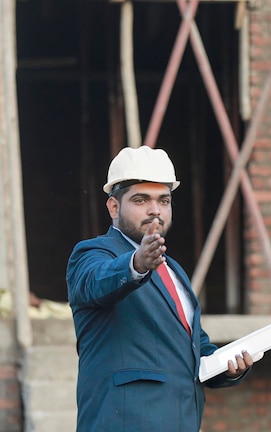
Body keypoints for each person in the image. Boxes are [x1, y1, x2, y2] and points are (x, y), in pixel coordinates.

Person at [67, 145, 253, 431]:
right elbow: (96, 282)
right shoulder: (93, 254)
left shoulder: (174, 271)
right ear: (114, 207)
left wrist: (227, 367)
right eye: (141, 200)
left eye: (163, 201)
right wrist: (136, 263)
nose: (155, 210)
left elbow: (195, 351)